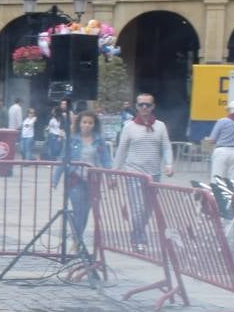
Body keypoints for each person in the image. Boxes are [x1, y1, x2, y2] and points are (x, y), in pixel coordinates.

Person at [61, 109, 111, 252]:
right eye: (84, 122)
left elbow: (105, 158)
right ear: (79, 123)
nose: (87, 125)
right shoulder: (73, 139)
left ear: (94, 125)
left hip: (93, 179)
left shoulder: (99, 140)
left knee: (87, 211)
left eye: (90, 122)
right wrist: (55, 178)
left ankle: (78, 237)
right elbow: (63, 158)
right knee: (79, 210)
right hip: (75, 179)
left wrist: (110, 174)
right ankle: (76, 239)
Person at [113, 93, 175, 182]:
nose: (144, 107)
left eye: (148, 105)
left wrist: (169, 164)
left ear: (153, 106)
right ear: (136, 106)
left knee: (151, 197)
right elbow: (121, 151)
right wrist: (113, 175)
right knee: (135, 197)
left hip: (154, 174)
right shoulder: (128, 127)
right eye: (141, 104)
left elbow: (166, 147)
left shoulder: (161, 126)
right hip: (133, 174)